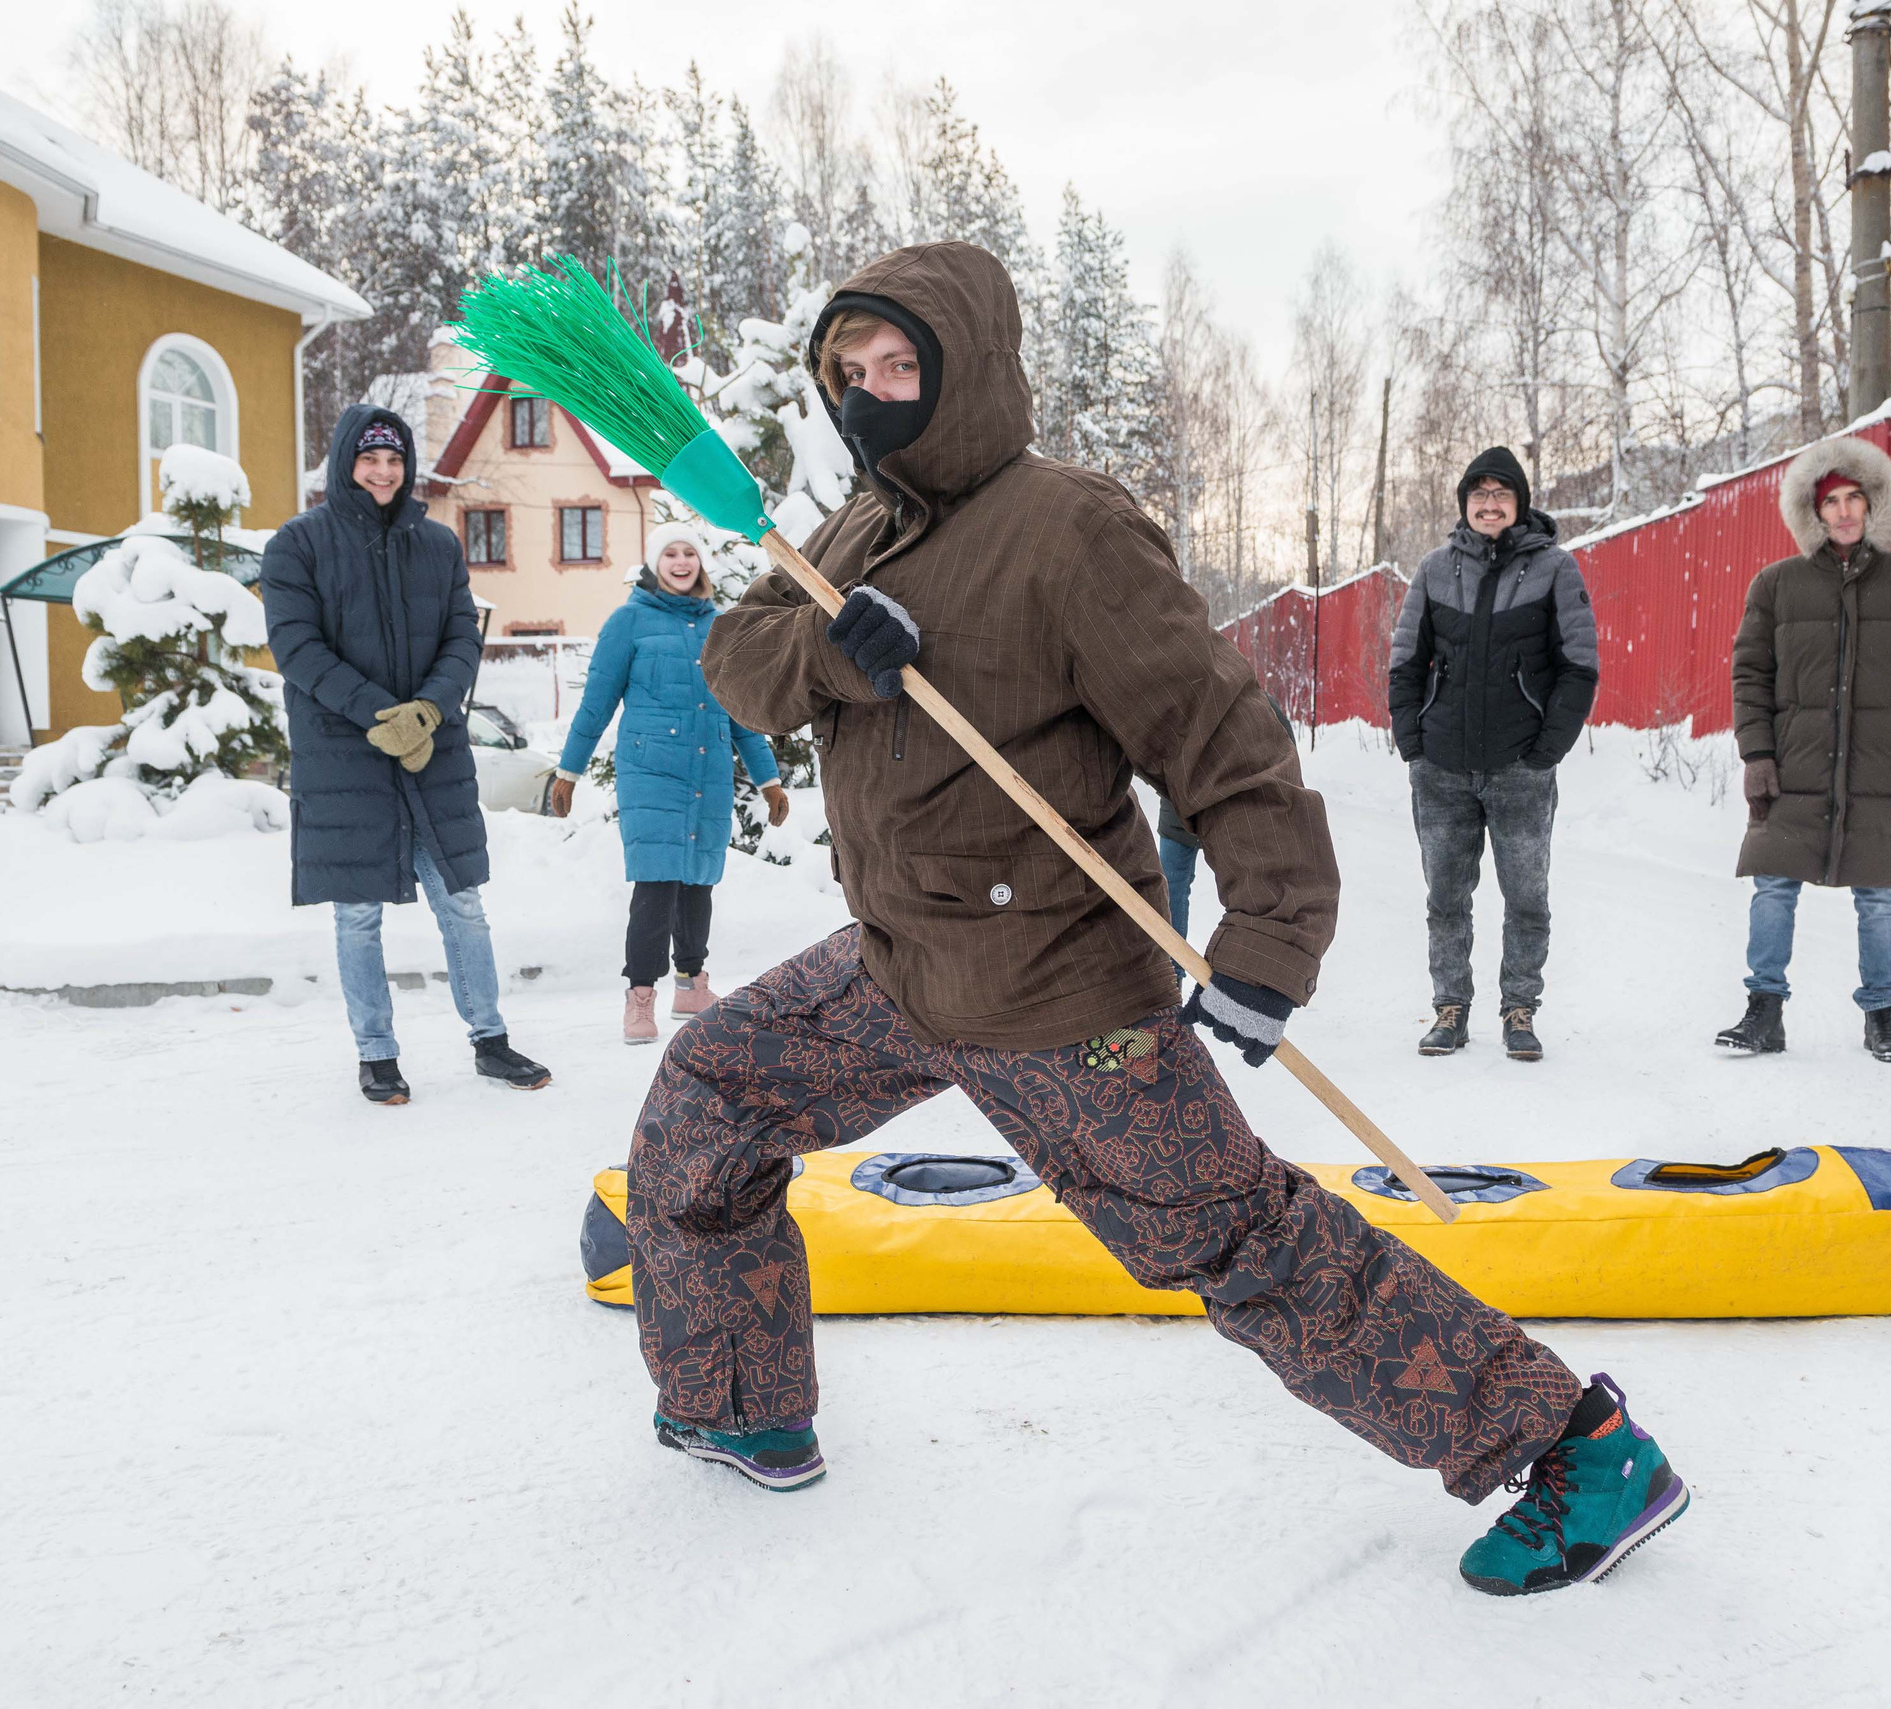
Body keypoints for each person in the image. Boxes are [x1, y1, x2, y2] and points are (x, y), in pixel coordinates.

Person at [625, 242, 1687, 1595]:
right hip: (900, 964)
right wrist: (829, 651)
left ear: (968, 371)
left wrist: (1271, 934)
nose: (871, 394)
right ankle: (739, 1401)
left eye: (900, 367)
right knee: (712, 1093)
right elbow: (737, 658)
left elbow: (1218, 735)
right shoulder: (853, 534)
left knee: (1248, 1245)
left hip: (1055, 993)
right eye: (852, 373)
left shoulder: (1068, 529)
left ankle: (1577, 1448)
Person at [260, 404, 551, 1104]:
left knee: (462, 903)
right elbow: (297, 647)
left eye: (394, 460)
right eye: (370, 459)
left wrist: (428, 708)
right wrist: (377, 712)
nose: (384, 472)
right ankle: (377, 1053)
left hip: (433, 753)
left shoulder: (438, 544)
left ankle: (490, 1040)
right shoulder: (298, 544)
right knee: (358, 915)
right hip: (346, 757)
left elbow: (462, 636)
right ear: (346, 463)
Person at [1714, 435, 1891, 1064]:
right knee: (1773, 886)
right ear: (1813, 511)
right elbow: (1750, 675)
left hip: (1884, 768)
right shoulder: (1777, 585)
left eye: (1855, 497)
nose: (1845, 511)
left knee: (1879, 898)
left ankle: (1882, 1017)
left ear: (1875, 503)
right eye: (1831, 501)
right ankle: (1763, 1012)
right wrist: (1756, 755)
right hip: (1794, 765)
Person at [1386, 448, 1600, 1062]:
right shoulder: (1434, 569)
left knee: (1526, 899)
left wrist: (1546, 750)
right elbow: (1405, 662)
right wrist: (1413, 744)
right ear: (1464, 503)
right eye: (1478, 493)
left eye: (1501, 493)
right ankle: (1449, 1009)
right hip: (1442, 768)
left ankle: (1519, 1009)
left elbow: (1579, 667)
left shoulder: (1555, 569)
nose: (1489, 503)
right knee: (1445, 900)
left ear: (1519, 503)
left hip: (1519, 770)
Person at [549, 524, 789, 1046]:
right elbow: (596, 703)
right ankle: (640, 995)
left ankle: (690, 985)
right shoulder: (629, 622)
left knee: (699, 882)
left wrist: (768, 779)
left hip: (708, 771)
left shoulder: (719, 626)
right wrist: (568, 772)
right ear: (654, 563)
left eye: (689, 554)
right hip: (651, 773)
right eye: (670, 554)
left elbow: (739, 711)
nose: (681, 562)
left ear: (700, 563)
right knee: (657, 884)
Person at [1153, 690, 1293, 948]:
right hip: (1181, 805)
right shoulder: (1180, 696)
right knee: (1170, 886)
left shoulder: (1254, 701)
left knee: (1250, 889)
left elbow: (1284, 751)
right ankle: (1171, 964)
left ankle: (1241, 961)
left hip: (1231, 808)